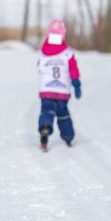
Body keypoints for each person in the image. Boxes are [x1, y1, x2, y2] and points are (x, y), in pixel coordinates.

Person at [37, 19, 81, 151]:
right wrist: (76, 84)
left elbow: (39, 67)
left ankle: (45, 127)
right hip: (62, 91)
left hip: (46, 90)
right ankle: (68, 137)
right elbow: (74, 70)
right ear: (62, 35)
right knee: (63, 114)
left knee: (47, 111)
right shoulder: (68, 53)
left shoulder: (43, 52)